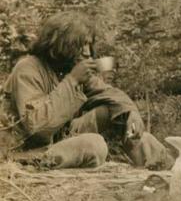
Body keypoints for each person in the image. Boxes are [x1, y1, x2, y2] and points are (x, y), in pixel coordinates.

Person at [0, 11, 171, 169]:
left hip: (61, 139)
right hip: (29, 151)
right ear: (60, 43)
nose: (88, 52)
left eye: (89, 44)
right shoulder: (28, 68)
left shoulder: (67, 68)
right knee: (93, 144)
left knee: (117, 111)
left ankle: (163, 167)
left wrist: (131, 111)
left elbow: (109, 94)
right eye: (81, 45)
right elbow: (37, 128)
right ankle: (45, 166)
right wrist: (72, 80)